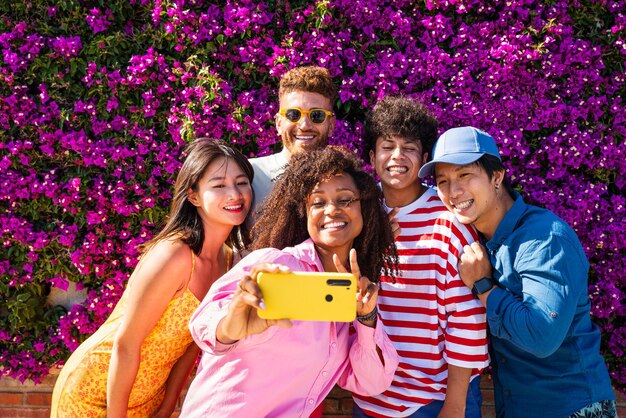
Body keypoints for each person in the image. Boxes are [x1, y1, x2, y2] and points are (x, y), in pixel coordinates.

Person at [180, 146, 400, 417]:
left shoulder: (352, 299)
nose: (332, 210)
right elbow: (203, 321)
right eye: (318, 203)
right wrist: (229, 327)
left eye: (345, 200)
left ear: (364, 209)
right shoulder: (275, 265)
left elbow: (371, 383)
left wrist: (366, 320)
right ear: (304, 214)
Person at [419, 126, 617, 418]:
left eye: (464, 175)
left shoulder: (545, 239)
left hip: (572, 409)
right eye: (443, 181)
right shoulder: (477, 241)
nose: (453, 191)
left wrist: (484, 286)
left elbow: (541, 336)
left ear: (496, 176)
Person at [50, 138, 254, 418]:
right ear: (193, 196)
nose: (234, 193)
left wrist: (169, 403)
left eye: (242, 182)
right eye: (219, 185)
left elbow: (193, 344)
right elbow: (126, 343)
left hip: (149, 396)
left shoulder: (229, 261)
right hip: (96, 391)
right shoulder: (175, 255)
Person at [353, 97, 489, 418]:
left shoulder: (449, 220)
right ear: (372, 157)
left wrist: (455, 405)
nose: (397, 156)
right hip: (370, 396)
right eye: (387, 146)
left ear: (425, 157)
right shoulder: (359, 212)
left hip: (433, 400)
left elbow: (466, 319)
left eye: (409, 147)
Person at [249, 65, 337, 219]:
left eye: (316, 115)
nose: (304, 126)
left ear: (331, 125)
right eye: (293, 114)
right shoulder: (250, 176)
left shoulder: (344, 181)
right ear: (278, 123)